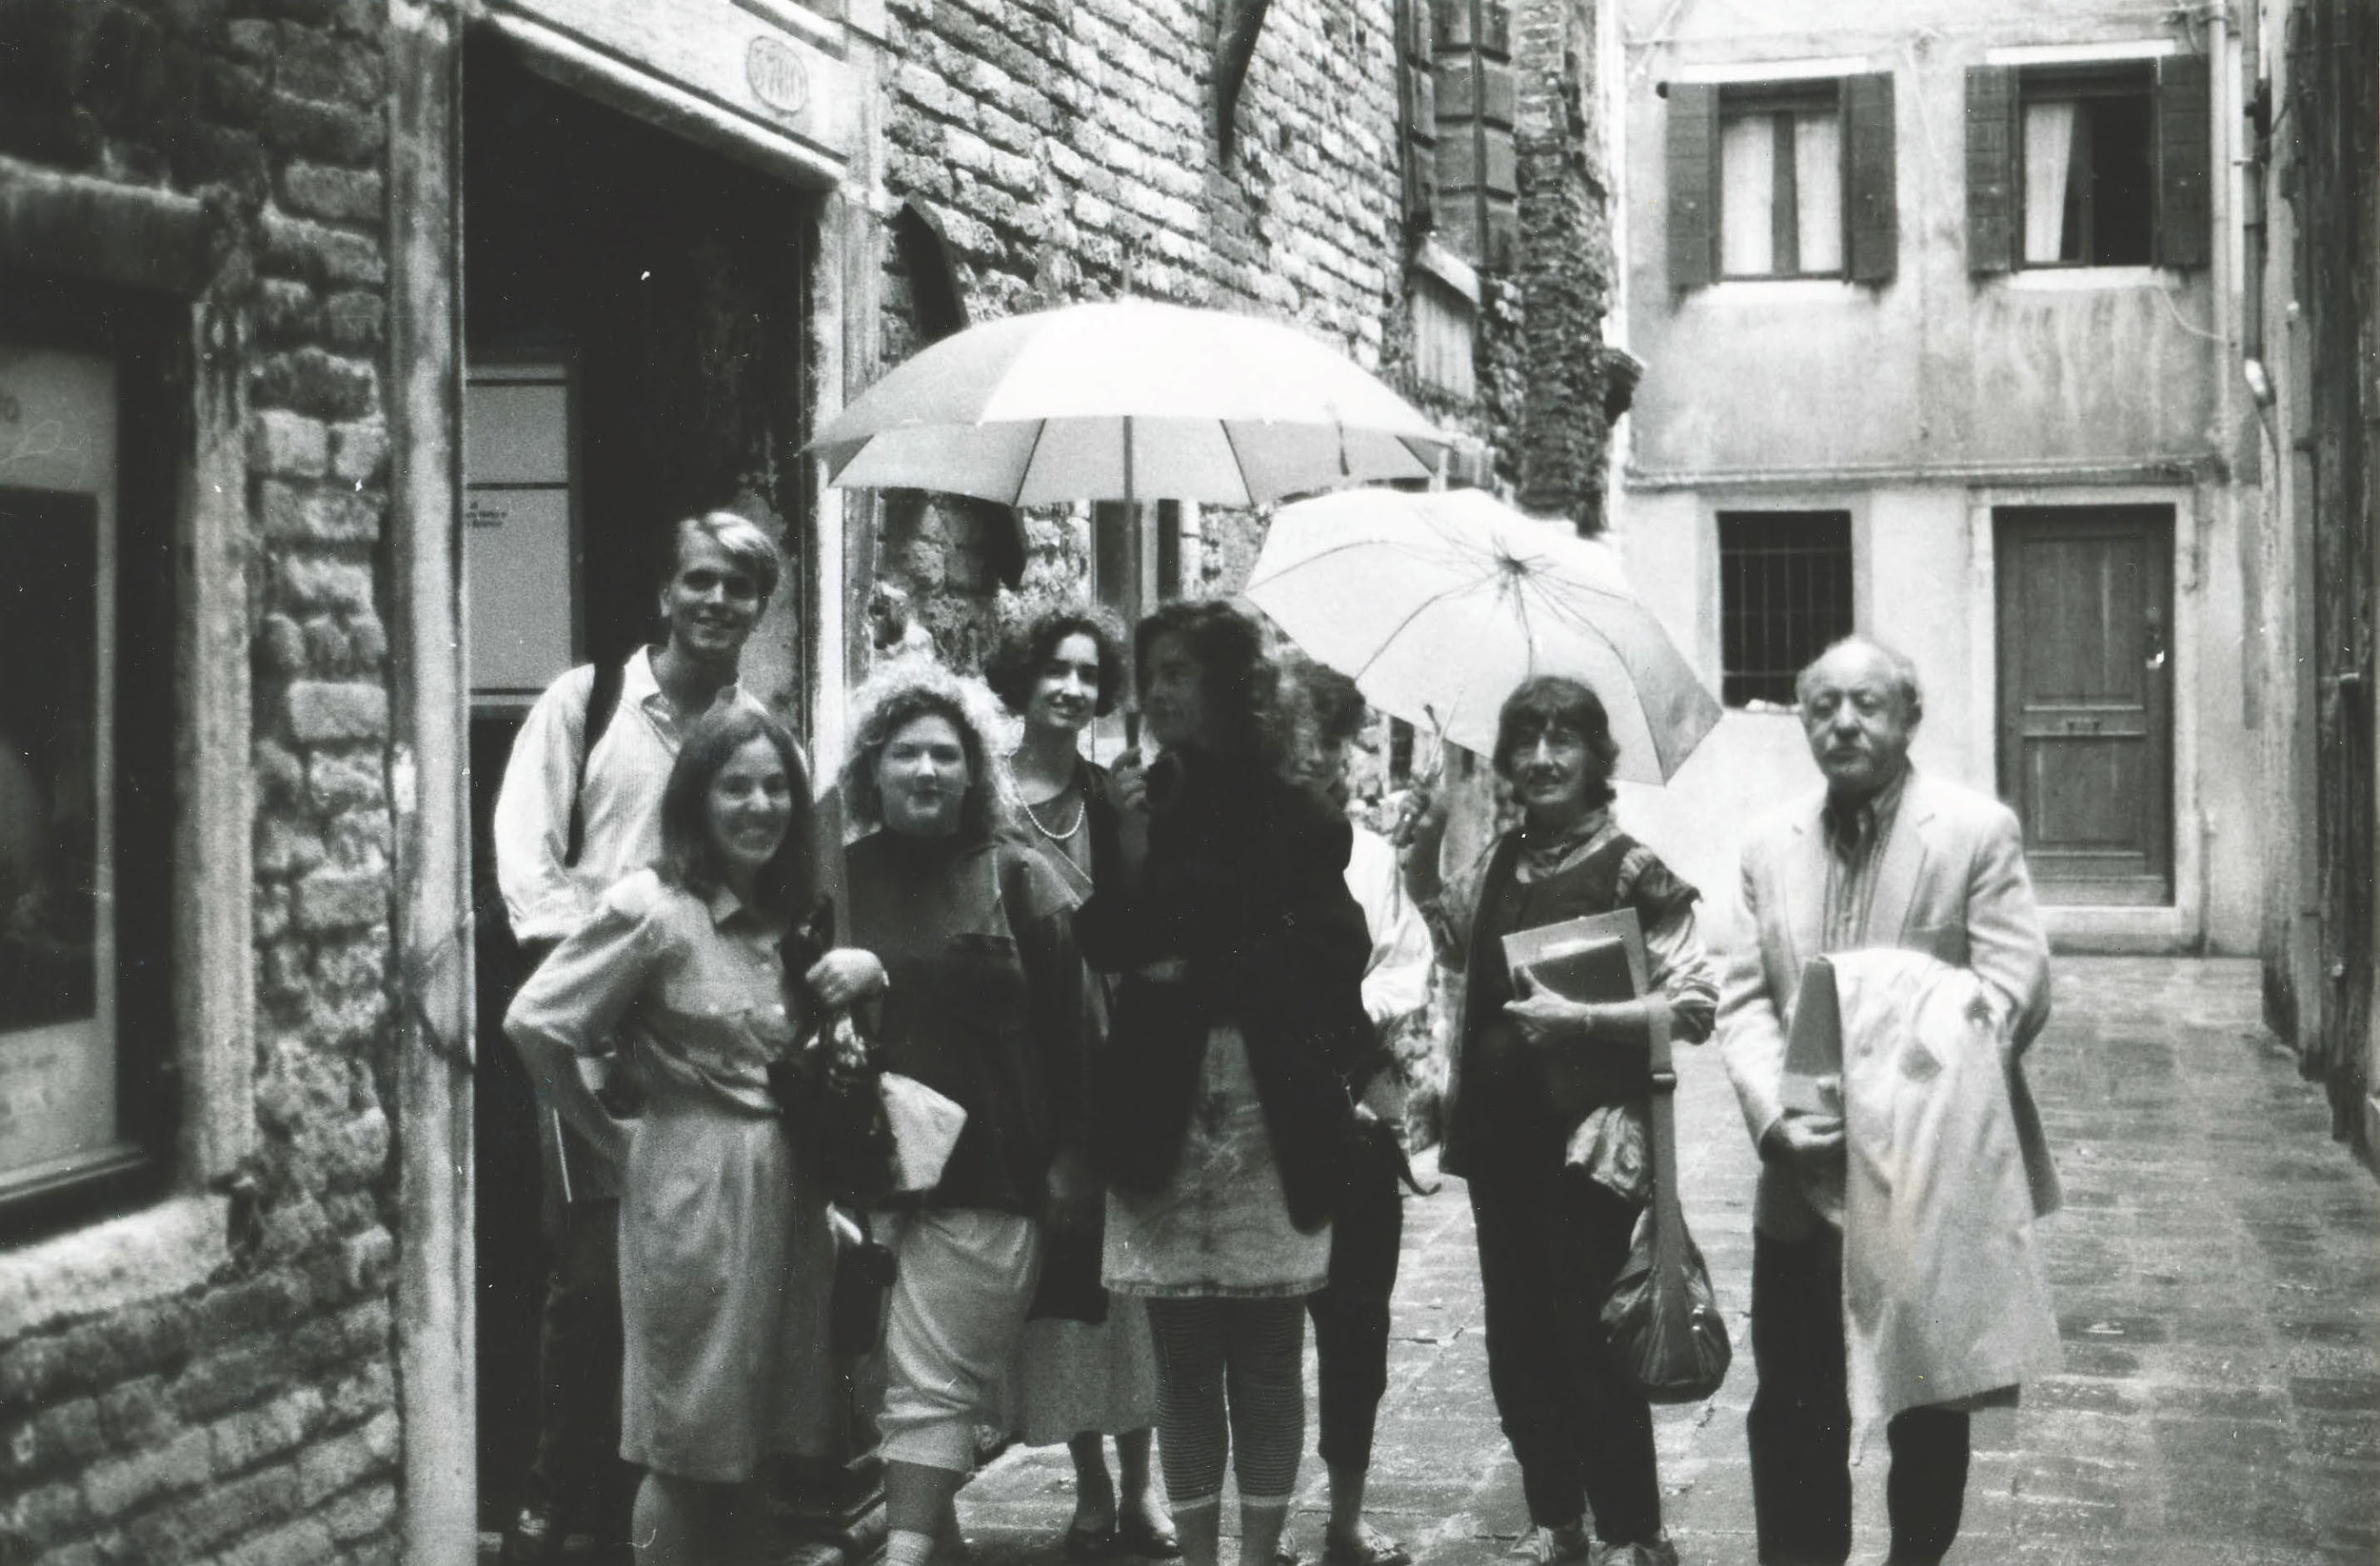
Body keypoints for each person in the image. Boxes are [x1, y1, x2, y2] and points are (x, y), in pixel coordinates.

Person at [1716, 637, 2055, 1566]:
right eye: (1822, 706)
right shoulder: (1766, 844)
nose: (1843, 723)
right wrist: (1774, 1118)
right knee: (1791, 1408)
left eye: (1865, 703)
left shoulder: (1972, 832)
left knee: (1925, 1406)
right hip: (1802, 1172)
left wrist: (1901, 1079)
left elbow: (2016, 984)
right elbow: (1743, 997)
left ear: (1908, 717)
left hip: (1923, 1169)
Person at [489, 509, 783, 1563]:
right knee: (591, 1282)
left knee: (688, 1295)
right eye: (698, 581)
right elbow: (528, 859)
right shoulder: (590, 703)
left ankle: (644, 1520)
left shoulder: (756, 732)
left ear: (759, 608)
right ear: (667, 591)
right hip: (598, 1028)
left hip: (702, 1037)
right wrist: (619, 970)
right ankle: (548, 1512)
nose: (715, 602)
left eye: (738, 589)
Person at [505, 706, 856, 1565]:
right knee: (685, 1433)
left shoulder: (791, 916)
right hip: (691, 1186)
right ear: (696, 799)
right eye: (735, 785)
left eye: (778, 786)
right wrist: (608, 1139)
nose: (760, 805)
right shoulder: (654, 908)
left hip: (787, 1190)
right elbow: (535, 1023)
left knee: (758, 1432)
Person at [1077, 602, 1378, 1566]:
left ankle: (1258, 1554)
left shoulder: (1294, 808)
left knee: (1264, 1354)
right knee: (1181, 1356)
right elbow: (1114, 943)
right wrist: (1126, 846)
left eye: (1178, 671)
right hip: (1160, 1101)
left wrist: (1198, 966)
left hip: (1265, 1106)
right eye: (1150, 672)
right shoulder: (1135, 799)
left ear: (1230, 686)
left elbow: (1334, 952)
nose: (1155, 691)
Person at [1401, 675, 1714, 1566]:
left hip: (1592, 1151)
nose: (1542, 757)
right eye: (1526, 740)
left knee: (1591, 1342)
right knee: (1518, 1349)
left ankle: (1631, 1533)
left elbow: (1692, 1003)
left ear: (1594, 758)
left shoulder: (1631, 869)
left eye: (1563, 739)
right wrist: (1425, 837)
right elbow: (1445, 934)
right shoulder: (1500, 861)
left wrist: (1585, 1022)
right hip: (1503, 1148)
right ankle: (1558, 1522)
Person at [839, 667, 1097, 1566]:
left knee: (936, 1383)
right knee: (886, 1376)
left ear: (974, 770)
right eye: (905, 752)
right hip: (857, 1177)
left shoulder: (1019, 877)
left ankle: (903, 1554)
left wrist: (1071, 1157)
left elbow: (1079, 1033)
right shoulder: (833, 881)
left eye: (945, 754)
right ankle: (934, 1543)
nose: (924, 770)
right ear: (872, 768)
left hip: (988, 1177)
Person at [985, 609, 1180, 1560]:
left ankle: (1142, 1487)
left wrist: (1138, 830)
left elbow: (1140, 926)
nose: (1069, 688)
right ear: (1021, 682)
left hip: (1117, 1061)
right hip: (1026, 1058)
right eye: (1053, 671)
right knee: (1060, 1283)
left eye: (1086, 674)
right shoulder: (985, 801)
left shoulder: (1113, 794)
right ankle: (1092, 1481)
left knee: (1129, 1279)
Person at [1279, 660, 1433, 1566]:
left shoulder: (1373, 859)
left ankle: (1345, 1514)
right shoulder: (1234, 855)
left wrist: (1350, 1005)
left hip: (1355, 1113)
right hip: (1262, 1117)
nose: (1315, 756)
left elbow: (1408, 963)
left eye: (1328, 738)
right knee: (1257, 1336)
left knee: (1356, 1320)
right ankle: (1253, 1508)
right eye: (1293, 737)